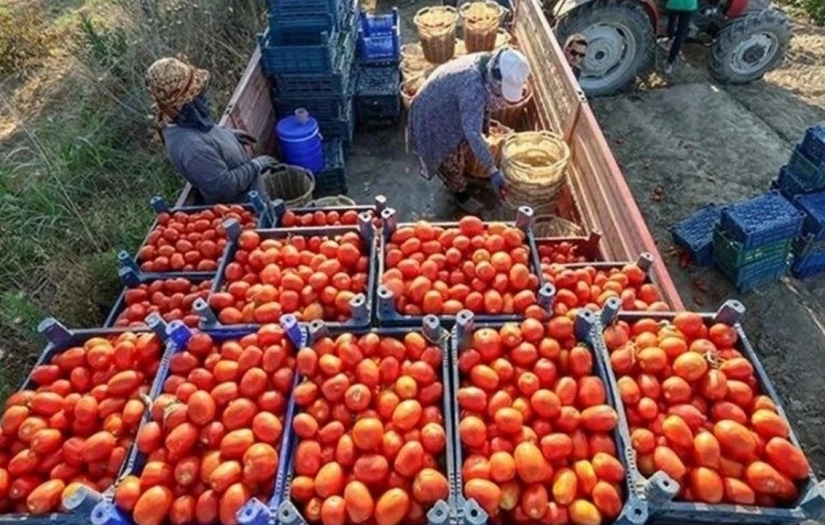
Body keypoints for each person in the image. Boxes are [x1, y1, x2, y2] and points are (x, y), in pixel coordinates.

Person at [408, 46, 532, 214]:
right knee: (450, 157)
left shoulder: (488, 63)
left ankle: (459, 177)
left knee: (464, 143)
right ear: (496, 80)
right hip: (434, 114)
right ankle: (459, 191)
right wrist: (492, 169)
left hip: (448, 102)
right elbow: (472, 133)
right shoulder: (472, 87)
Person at [145, 55, 277, 204]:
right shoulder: (191, 148)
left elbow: (207, 138)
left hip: (253, 192)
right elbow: (224, 186)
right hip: (244, 207)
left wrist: (228, 136)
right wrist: (256, 165)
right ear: (182, 103)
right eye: (196, 95)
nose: (201, 97)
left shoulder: (185, 119)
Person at [664, 0, 697, 74]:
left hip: (674, 3)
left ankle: (670, 39)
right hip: (689, 5)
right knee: (680, 34)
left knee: (671, 24)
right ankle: (670, 62)